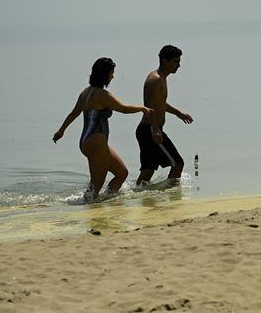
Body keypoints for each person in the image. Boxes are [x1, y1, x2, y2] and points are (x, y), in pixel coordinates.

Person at [53, 57, 152, 200]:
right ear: (104, 74)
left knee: (122, 173)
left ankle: (104, 204)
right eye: (112, 72)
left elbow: (74, 113)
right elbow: (123, 109)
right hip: (96, 143)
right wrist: (142, 108)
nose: (113, 76)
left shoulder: (86, 92)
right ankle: (90, 211)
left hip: (88, 141)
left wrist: (61, 130)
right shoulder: (102, 95)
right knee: (94, 189)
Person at [135, 44, 194, 187]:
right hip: (150, 130)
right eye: (175, 61)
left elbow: (160, 103)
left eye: (179, 61)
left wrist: (178, 113)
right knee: (178, 163)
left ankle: (140, 197)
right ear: (164, 61)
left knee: (148, 170)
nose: (178, 65)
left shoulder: (162, 78)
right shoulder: (155, 79)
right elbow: (149, 107)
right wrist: (156, 130)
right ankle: (171, 197)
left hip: (149, 129)